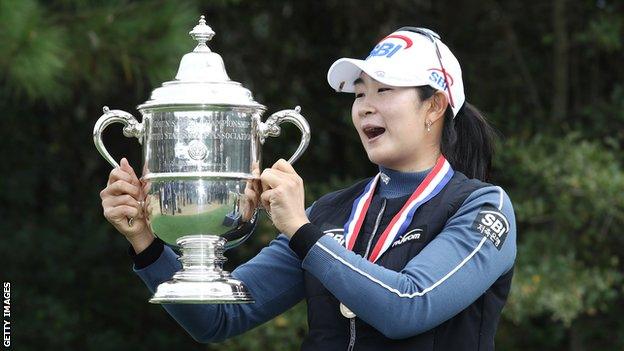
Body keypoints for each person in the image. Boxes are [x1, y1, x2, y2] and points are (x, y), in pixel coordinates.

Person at [100, 27, 516, 350]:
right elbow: (217, 320)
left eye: (384, 90)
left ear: (435, 106)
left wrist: (302, 231)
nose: (365, 106)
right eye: (359, 94)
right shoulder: (330, 212)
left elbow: (408, 307)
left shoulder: (481, 207)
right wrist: (146, 241)